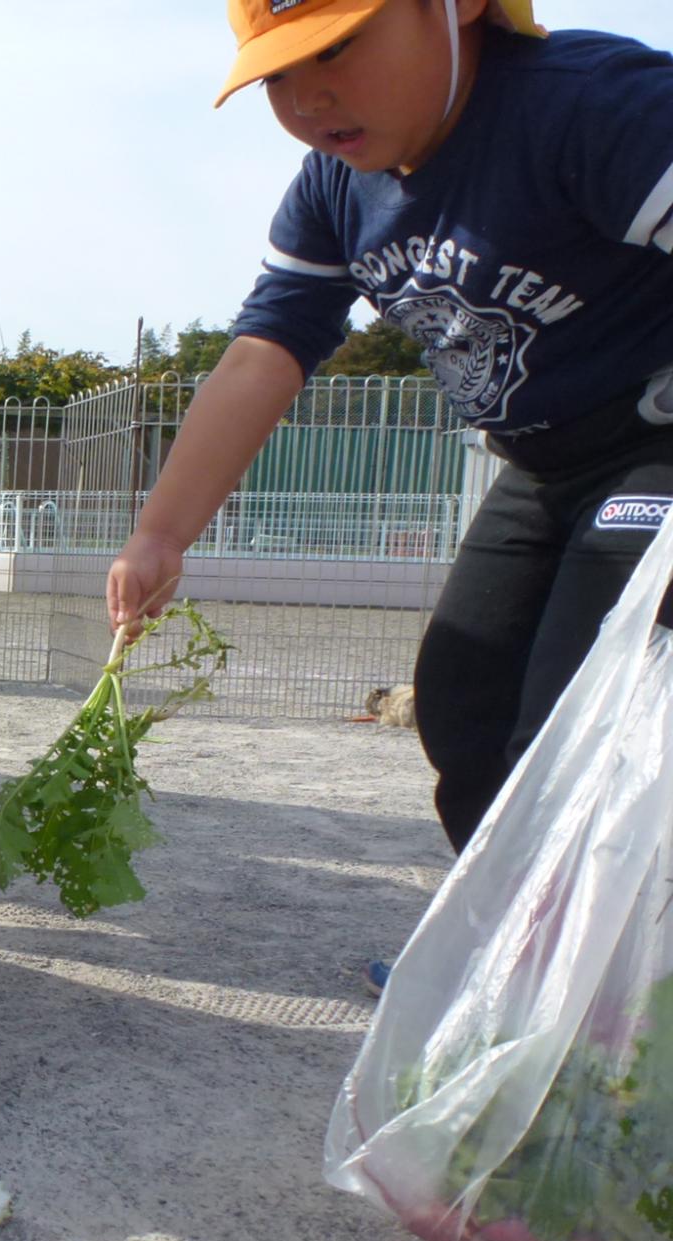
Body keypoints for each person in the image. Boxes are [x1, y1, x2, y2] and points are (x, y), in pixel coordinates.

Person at [106, 0, 673, 973]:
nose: (307, 95)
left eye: (335, 48)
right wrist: (159, 535)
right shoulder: (335, 184)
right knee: (462, 710)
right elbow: (264, 351)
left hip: (654, 447)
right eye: (275, 72)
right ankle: (518, 961)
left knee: (579, 719)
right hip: (537, 465)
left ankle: (608, 997)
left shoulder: (587, 107)